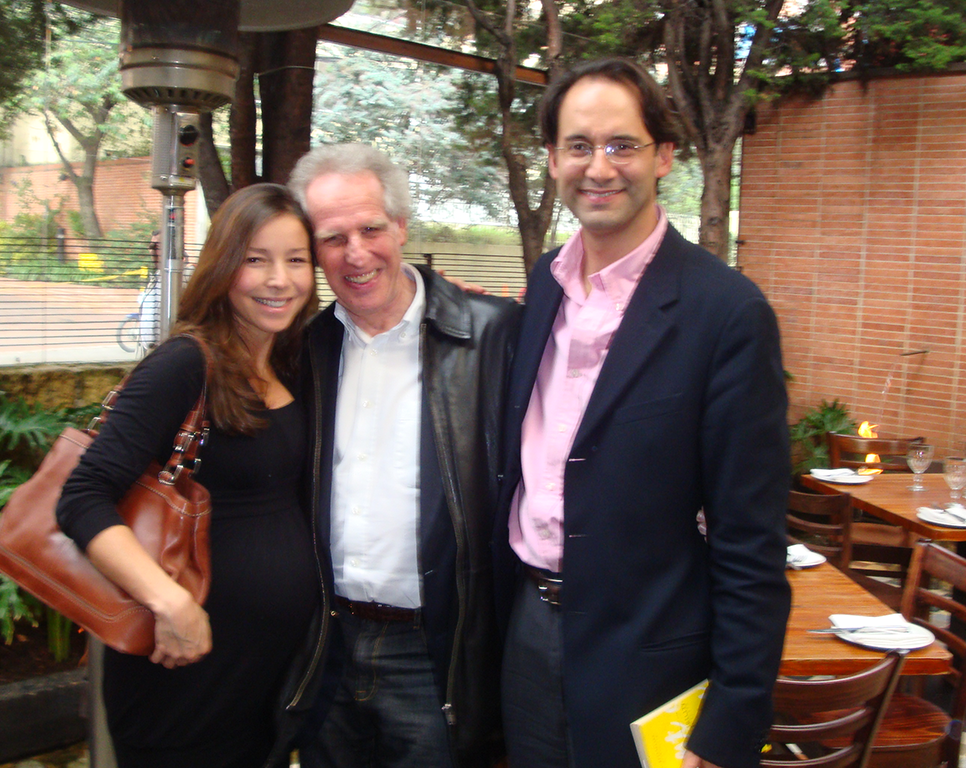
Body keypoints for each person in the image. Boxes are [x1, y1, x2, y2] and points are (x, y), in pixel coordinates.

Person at [494, 57, 792, 768]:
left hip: (647, 655)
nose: (600, 167)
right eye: (579, 145)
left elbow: (751, 540)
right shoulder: (545, 284)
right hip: (528, 634)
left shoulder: (727, 313)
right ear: (552, 160)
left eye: (622, 145)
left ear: (663, 156)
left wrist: (731, 725)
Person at [56, 184, 322, 768]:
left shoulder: (290, 362)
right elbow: (82, 497)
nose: (279, 279)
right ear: (223, 265)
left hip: (265, 687)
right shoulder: (185, 363)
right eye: (256, 259)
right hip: (185, 678)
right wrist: (170, 603)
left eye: (296, 260)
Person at [287, 143, 521, 768]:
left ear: (401, 227)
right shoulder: (299, 354)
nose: (356, 254)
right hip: (325, 647)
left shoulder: (492, 335)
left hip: (435, 653)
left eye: (370, 229)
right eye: (333, 238)